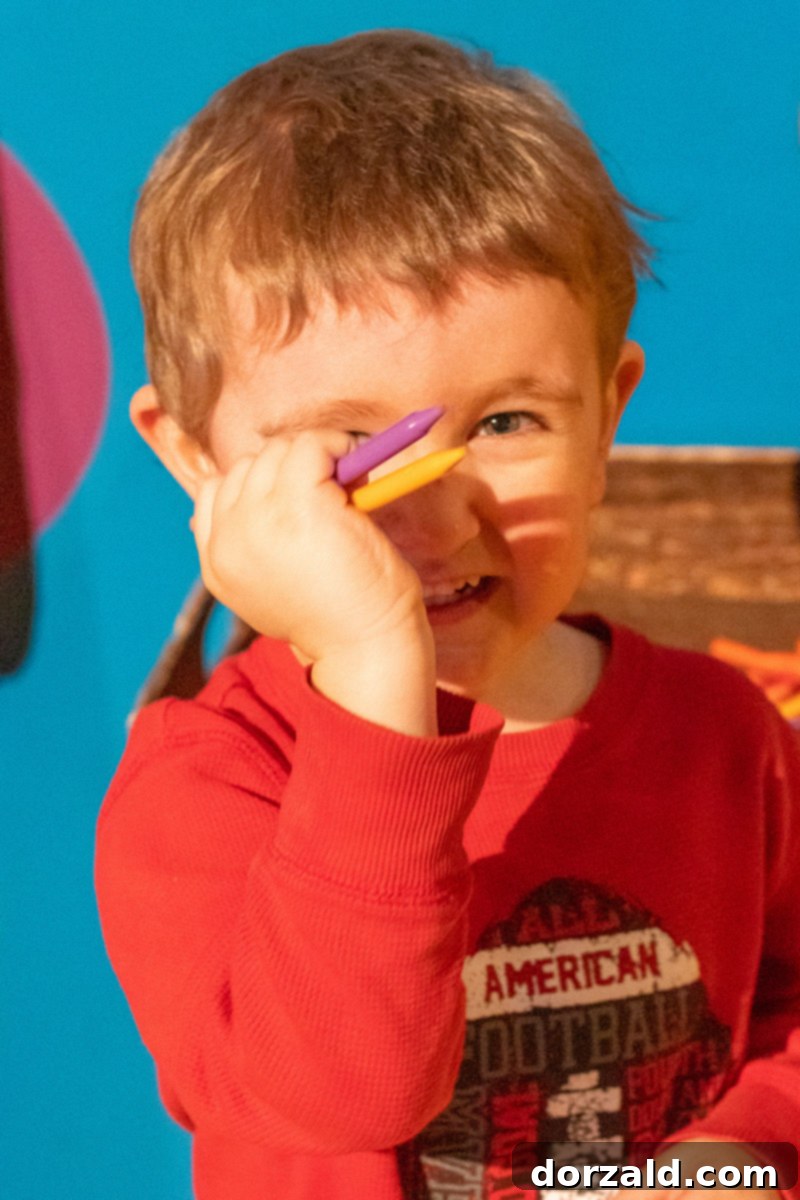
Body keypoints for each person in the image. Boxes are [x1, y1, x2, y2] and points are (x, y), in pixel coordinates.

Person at [94, 29, 800, 1200]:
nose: (436, 514)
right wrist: (373, 666)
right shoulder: (212, 782)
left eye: (506, 423)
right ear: (194, 459)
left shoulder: (723, 736)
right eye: (353, 450)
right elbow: (341, 1098)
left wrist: (735, 1154)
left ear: (606, 415)